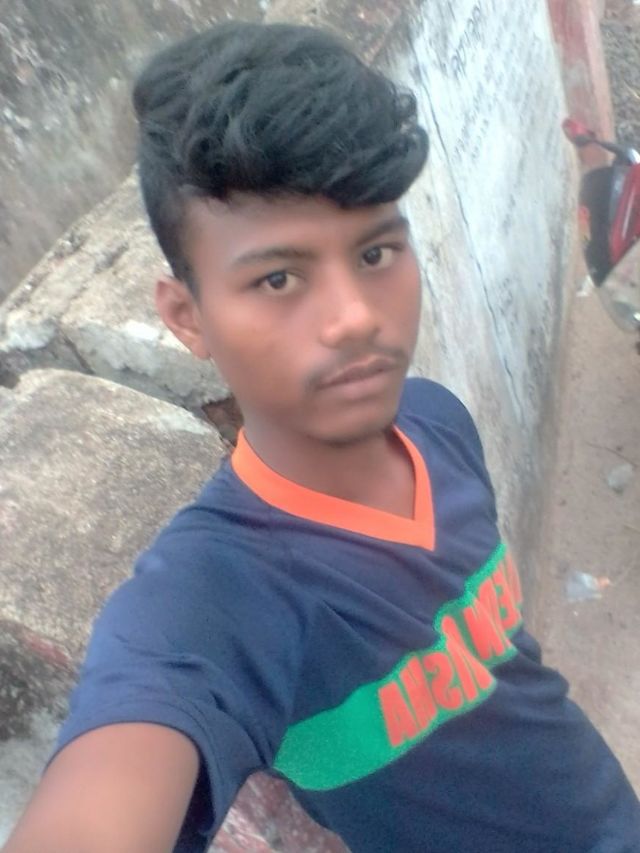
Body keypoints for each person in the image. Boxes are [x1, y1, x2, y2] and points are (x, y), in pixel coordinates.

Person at [4, 20, 640, 853]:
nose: (352, 318)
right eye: (278, 277)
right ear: (186, 317)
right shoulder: (215, 602)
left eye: (375, 253)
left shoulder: (436, 420)